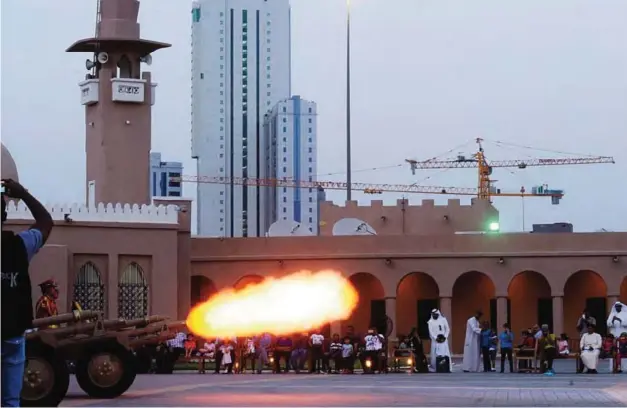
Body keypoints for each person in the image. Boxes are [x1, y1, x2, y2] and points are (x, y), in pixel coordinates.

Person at [2, 179, 53, 407]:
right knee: (11, 400)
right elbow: (45, 221)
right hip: (12, 333)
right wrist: (23, 194)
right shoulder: (20, 246)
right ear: (4, 216)